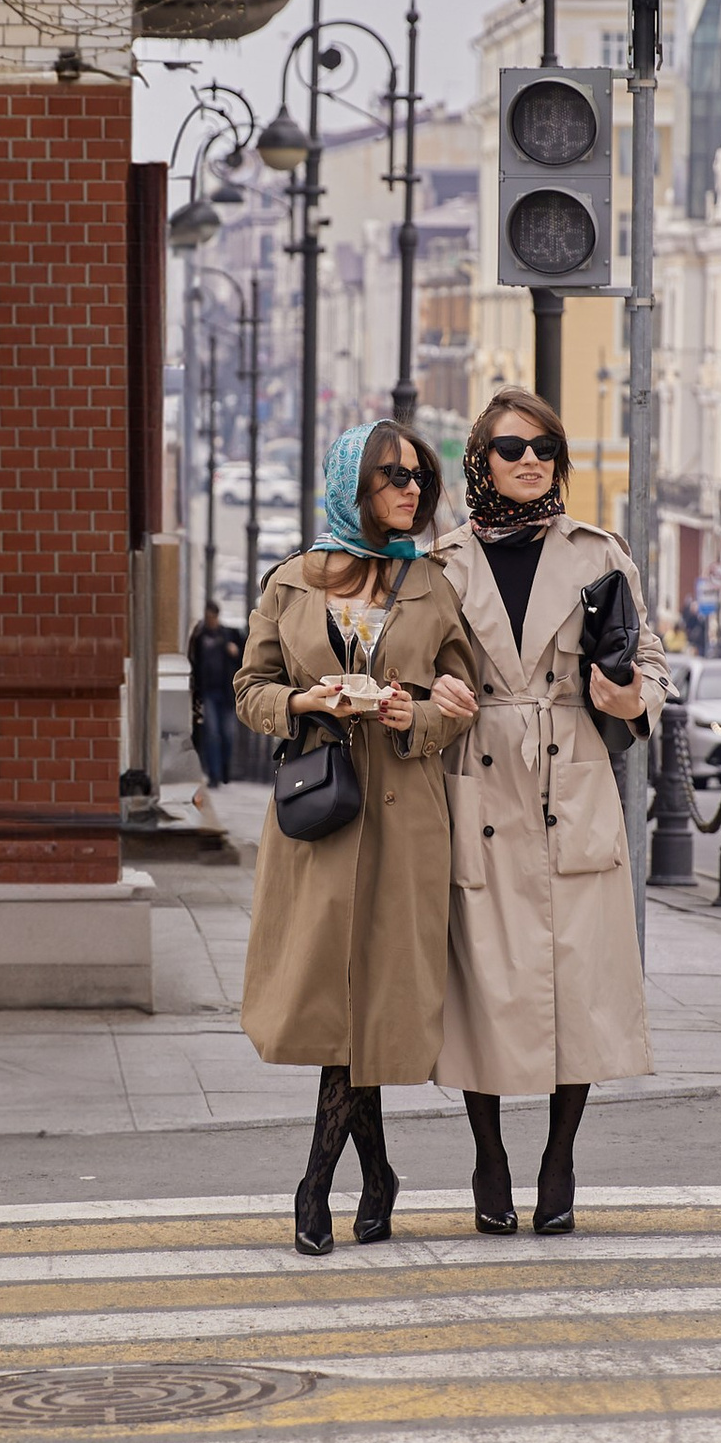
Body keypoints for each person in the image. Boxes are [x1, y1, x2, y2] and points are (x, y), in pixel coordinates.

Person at [234, 420, 478, 1254]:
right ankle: (372, 1176)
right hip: (320, 816)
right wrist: (305, 704)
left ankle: (317, 1185)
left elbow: (461, 692)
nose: (411, 490)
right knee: (336, 1002)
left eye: (418, 477)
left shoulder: (432, 587)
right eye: (392, 477)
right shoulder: (291, 584)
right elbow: (250, 689)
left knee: (369, 1001)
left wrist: (420, 714)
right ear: (354, 486)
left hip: (405, 817)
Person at [436, 391, 667, 1237]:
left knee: (583, 982)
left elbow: (651, 660)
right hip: (483, 777)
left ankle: (560, 1156)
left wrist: (633, 693)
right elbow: (410, 660)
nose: (529, 461)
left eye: (544, 447)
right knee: (484, 984)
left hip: (572, 779)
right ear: (480, 461)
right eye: (510, 448)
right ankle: (488, 1154)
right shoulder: (443, 562)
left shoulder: (599, 553)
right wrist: (433, 691)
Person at [187, 598, 244, 786]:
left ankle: (225, 771)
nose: (210, 620)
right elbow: (193, 661)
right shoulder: (200, 636)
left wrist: (235, 652)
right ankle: (214, 775)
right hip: (208, 692)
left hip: (227, 692)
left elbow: (246, 658)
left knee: (227, 734)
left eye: (212, 617)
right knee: (212, 733)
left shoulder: (229, 635)